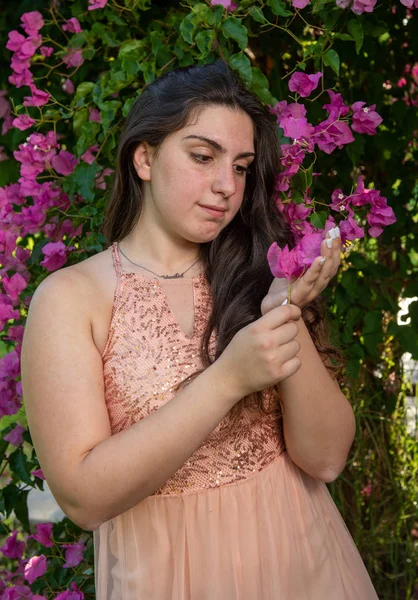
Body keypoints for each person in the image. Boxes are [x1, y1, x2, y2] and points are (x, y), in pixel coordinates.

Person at [21, 60, 379, 599]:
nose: (225, 187)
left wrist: (282, 314)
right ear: (144, 157)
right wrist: (228, 379)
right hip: (171, 578)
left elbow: (326, 458)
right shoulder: (71, 299)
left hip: (303, 564)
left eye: (240, 167)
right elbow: (83, 500)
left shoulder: (257, 274)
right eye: (202, 156)